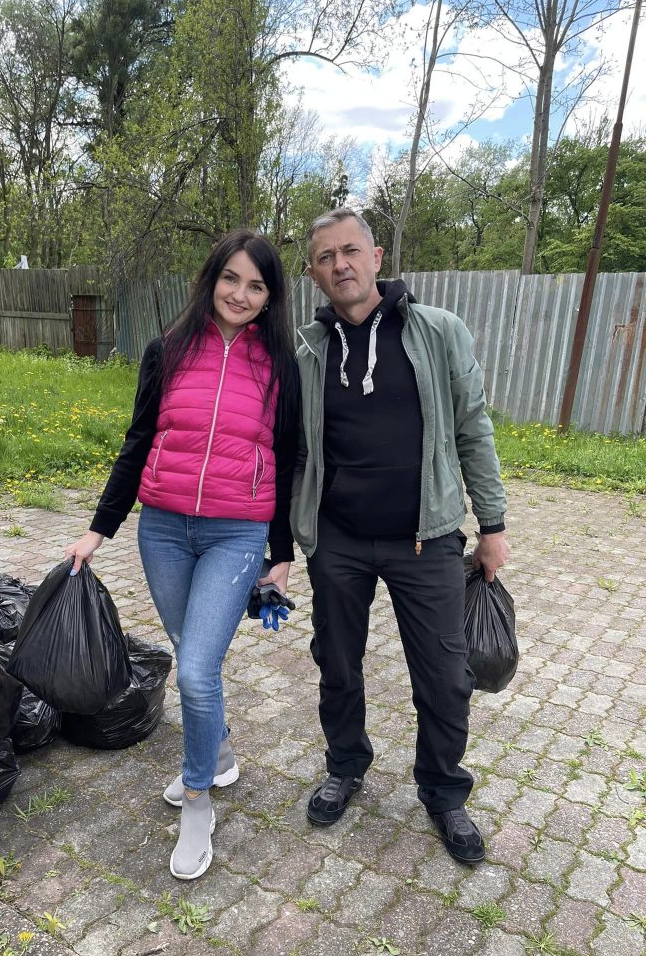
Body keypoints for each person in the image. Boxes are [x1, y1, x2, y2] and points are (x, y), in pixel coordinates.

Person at [66, 230, 299, 880]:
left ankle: (198, 800)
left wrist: (280, 553)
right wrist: (98, 530)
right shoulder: (166, 350)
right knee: (188, 651)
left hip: (236, 535)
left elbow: (289, 459)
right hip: (163, 530)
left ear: (270, 297)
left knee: (196, 672)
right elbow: (139, 439)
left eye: (257, 286)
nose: (241, 294)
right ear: (211, 278)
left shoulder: (280, 365)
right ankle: (217, 754)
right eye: (231, 278)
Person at [290, 208, 510, 864]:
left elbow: (473, 428)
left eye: (350, 251)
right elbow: (296, 450)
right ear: (314, 273)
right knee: (337, 664)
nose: (340, 265)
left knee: (445, 677)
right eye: (325, 257)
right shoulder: (309, 351)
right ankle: (345, 766)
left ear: (377, 257)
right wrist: (295, 533)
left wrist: (492, 525)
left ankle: (443, 792)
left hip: (427, 538)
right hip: (338, 542)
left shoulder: (437, 331)